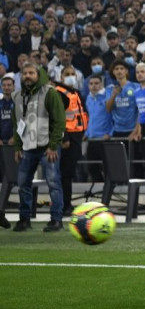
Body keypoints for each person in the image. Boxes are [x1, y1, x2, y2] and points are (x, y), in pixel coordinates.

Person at [11, 63, 66, 232]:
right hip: (27, 147)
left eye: (31, 73)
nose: (27, 76)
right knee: (23, 185)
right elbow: (16, 123)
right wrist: (18, 147)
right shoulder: (17, 96)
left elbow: (59, 121)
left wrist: (53, 145)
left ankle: (56, 220)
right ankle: (24, 219)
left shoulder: (50, 93)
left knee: (53, 184)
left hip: (47, 146)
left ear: (38, 75)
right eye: (25, 73)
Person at [55, 65, 89, 216]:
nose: (70, 76)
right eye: (67, 74)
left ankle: (66, 204)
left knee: (68, 173)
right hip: (67, 138)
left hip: (77, 137)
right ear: (61, 77)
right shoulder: (59, 93)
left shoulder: (76, 92)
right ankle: (64, 205)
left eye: (73, 74)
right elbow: (57, 117)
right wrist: (64, 137)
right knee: (65, 173)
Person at [84, 74, 112, 183]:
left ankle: (108, 189)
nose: (93, 86)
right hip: (91, 139)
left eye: (96, 83)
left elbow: (113, 117)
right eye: (91, 84)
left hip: (104, 138)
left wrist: (110, 133)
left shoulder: (107, 96)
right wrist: (86, 133)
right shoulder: (88, 98)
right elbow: (91, 118)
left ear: (101, 84)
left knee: (107, 167)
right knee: (92, 167)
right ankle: (99, 188)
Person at [0, 73, 15, 228]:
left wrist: (16, 138)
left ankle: (1, 210)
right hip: (0, 144)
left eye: (9, 85)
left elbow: (23, 122)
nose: (6, 87)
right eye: (4, 85)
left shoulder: (18, 103)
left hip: (12, 146)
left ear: (14, 86)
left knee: (9, 177)